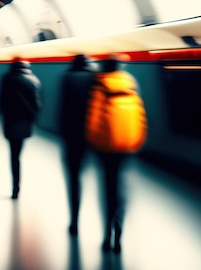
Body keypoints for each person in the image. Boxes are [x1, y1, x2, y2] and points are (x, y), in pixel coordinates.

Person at [87, 54, 145, 253]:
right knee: (121, 189)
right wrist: (135, 141)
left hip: (106, 148)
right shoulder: (131, 85)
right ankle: (119, 232)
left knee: (108, 189)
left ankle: (107, 236)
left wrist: (94, 141)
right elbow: (140, 116)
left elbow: (94, 118)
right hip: (127, 146)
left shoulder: (101, 85)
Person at [58, 54, 97, 235]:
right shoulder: (96, 77)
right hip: (91, 136)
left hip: (71, 137)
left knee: (73, 179)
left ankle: (74, 220)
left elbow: (62, 109)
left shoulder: (67, 77)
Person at [0, 57, 43, 199]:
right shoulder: (33, 80)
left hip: (11, 123)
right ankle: (18, 186)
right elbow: (37, 105)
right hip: (25, 124)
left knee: (13, 155)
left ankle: (15, 188)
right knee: (19, 154)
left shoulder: (7, 79)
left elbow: (1, 102)